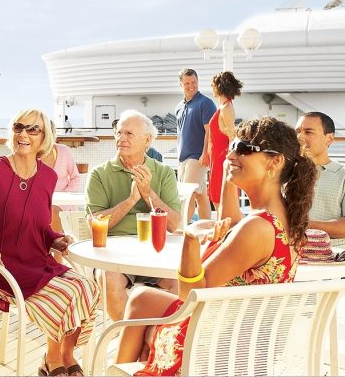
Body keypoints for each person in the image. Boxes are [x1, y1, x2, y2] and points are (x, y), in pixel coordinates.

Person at [116, 117, 315, 375]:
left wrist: (189, 237)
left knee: (143, 309)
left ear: (275, 161)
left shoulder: (256, 228)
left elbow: (191, 296)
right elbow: (231, 224)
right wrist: (229, 176)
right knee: (142, 297)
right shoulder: (282, 217)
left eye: (244, 149)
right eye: (233, 146)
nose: (231, 154)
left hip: (218, 347)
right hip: (247, 338)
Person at [0, 109, 99, 377]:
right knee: (65, 295)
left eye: (33, 129)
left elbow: (41, 226)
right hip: (4, 269)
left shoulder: (48, 176)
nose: (23, 134)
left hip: (37, 263)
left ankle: (64, 356)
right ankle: (53, 360)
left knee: (88, 287)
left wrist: (57, 240)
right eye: (19, 127)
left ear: (44, 137)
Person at [86, 110, 181, 321]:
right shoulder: (99, 174)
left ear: (147, 140)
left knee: (183, 281)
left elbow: (174, 225)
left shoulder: (164, 172)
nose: (121, 138)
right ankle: (129, 337)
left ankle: (160, 337)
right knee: (108, 277)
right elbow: (95, 224)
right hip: (114, 255)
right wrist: (129, 201)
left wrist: (149, 195)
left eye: (129, 133)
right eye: (119, 133)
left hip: (157, 253)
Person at [296, 112, 345, 247]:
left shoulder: (343, 175)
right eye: (298, 131)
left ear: (329, 139)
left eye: (308, 132)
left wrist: (303, 225)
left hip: (334, 261)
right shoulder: (284, 174)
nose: (300, 137)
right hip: (292, 260)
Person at [175, 68, 217, 221]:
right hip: (183, 157)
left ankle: (183, 225)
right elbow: (181, 133)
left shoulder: (206, 103)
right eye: (187, 83)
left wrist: (205, 153)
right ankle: (207, 225)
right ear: (181, 85)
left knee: (187, 192)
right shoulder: (179, 107)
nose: (191, 86)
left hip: (197, 156)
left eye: (193, 82)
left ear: (198, 82)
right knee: (200, 193)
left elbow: (210, 131)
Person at [206, 71, 243, 206]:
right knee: (217, 197)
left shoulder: (227, 108)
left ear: (219, 86)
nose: (212, 87)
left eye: (213, 84)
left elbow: (232, 136)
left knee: (220, 198)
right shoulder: (223, 106)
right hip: (216, 156)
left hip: (221, 156)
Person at [42, 120, 81, 246]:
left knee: (53, 212)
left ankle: (57, 260)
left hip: (63, 201)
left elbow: (75, 178)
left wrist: (64, 196)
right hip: (40, 200)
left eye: (48, 133)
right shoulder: (32, 154)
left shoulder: (64, 151)